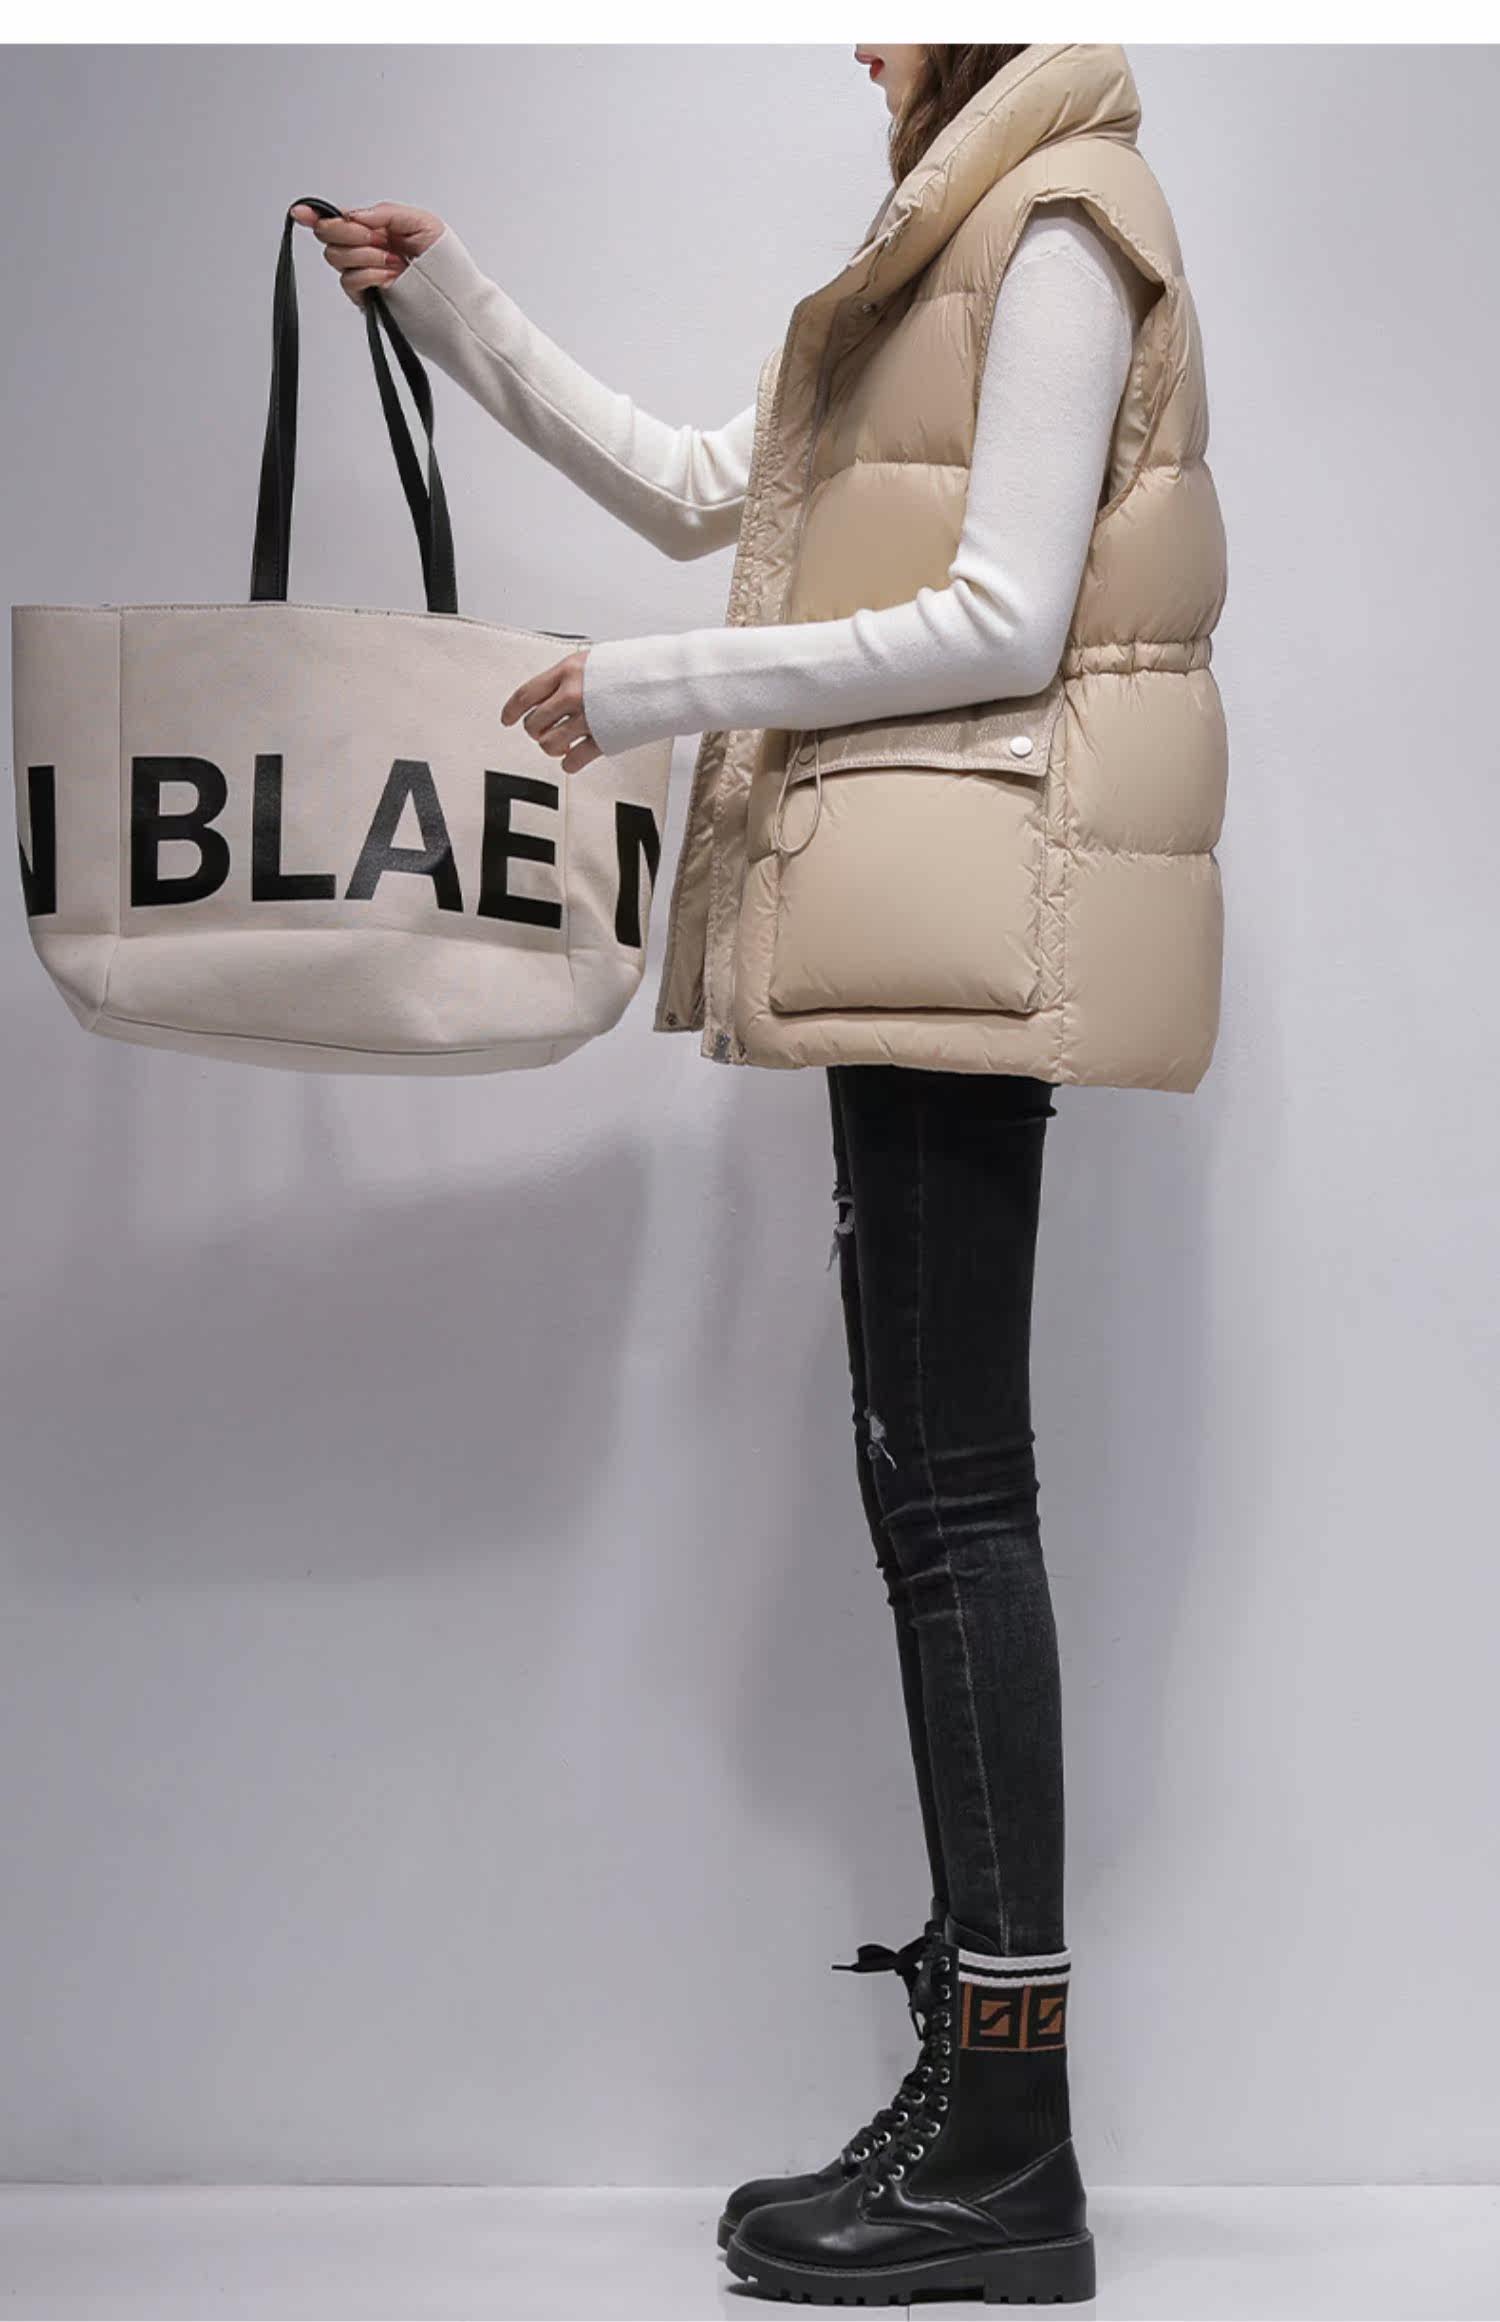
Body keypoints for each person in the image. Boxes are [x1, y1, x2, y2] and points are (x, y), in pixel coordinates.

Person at [296, 38, 1227, 2307]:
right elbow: (721, 483)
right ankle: (989, 2096)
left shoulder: (1061, 222)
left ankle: (1008, 2140)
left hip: (966, 909)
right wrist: (460, 308)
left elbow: (1004, 618)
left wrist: (659, 692)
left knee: (957, 1493)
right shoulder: (949, 236)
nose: (855, 38)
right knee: (932, 1484)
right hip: (911, 905)